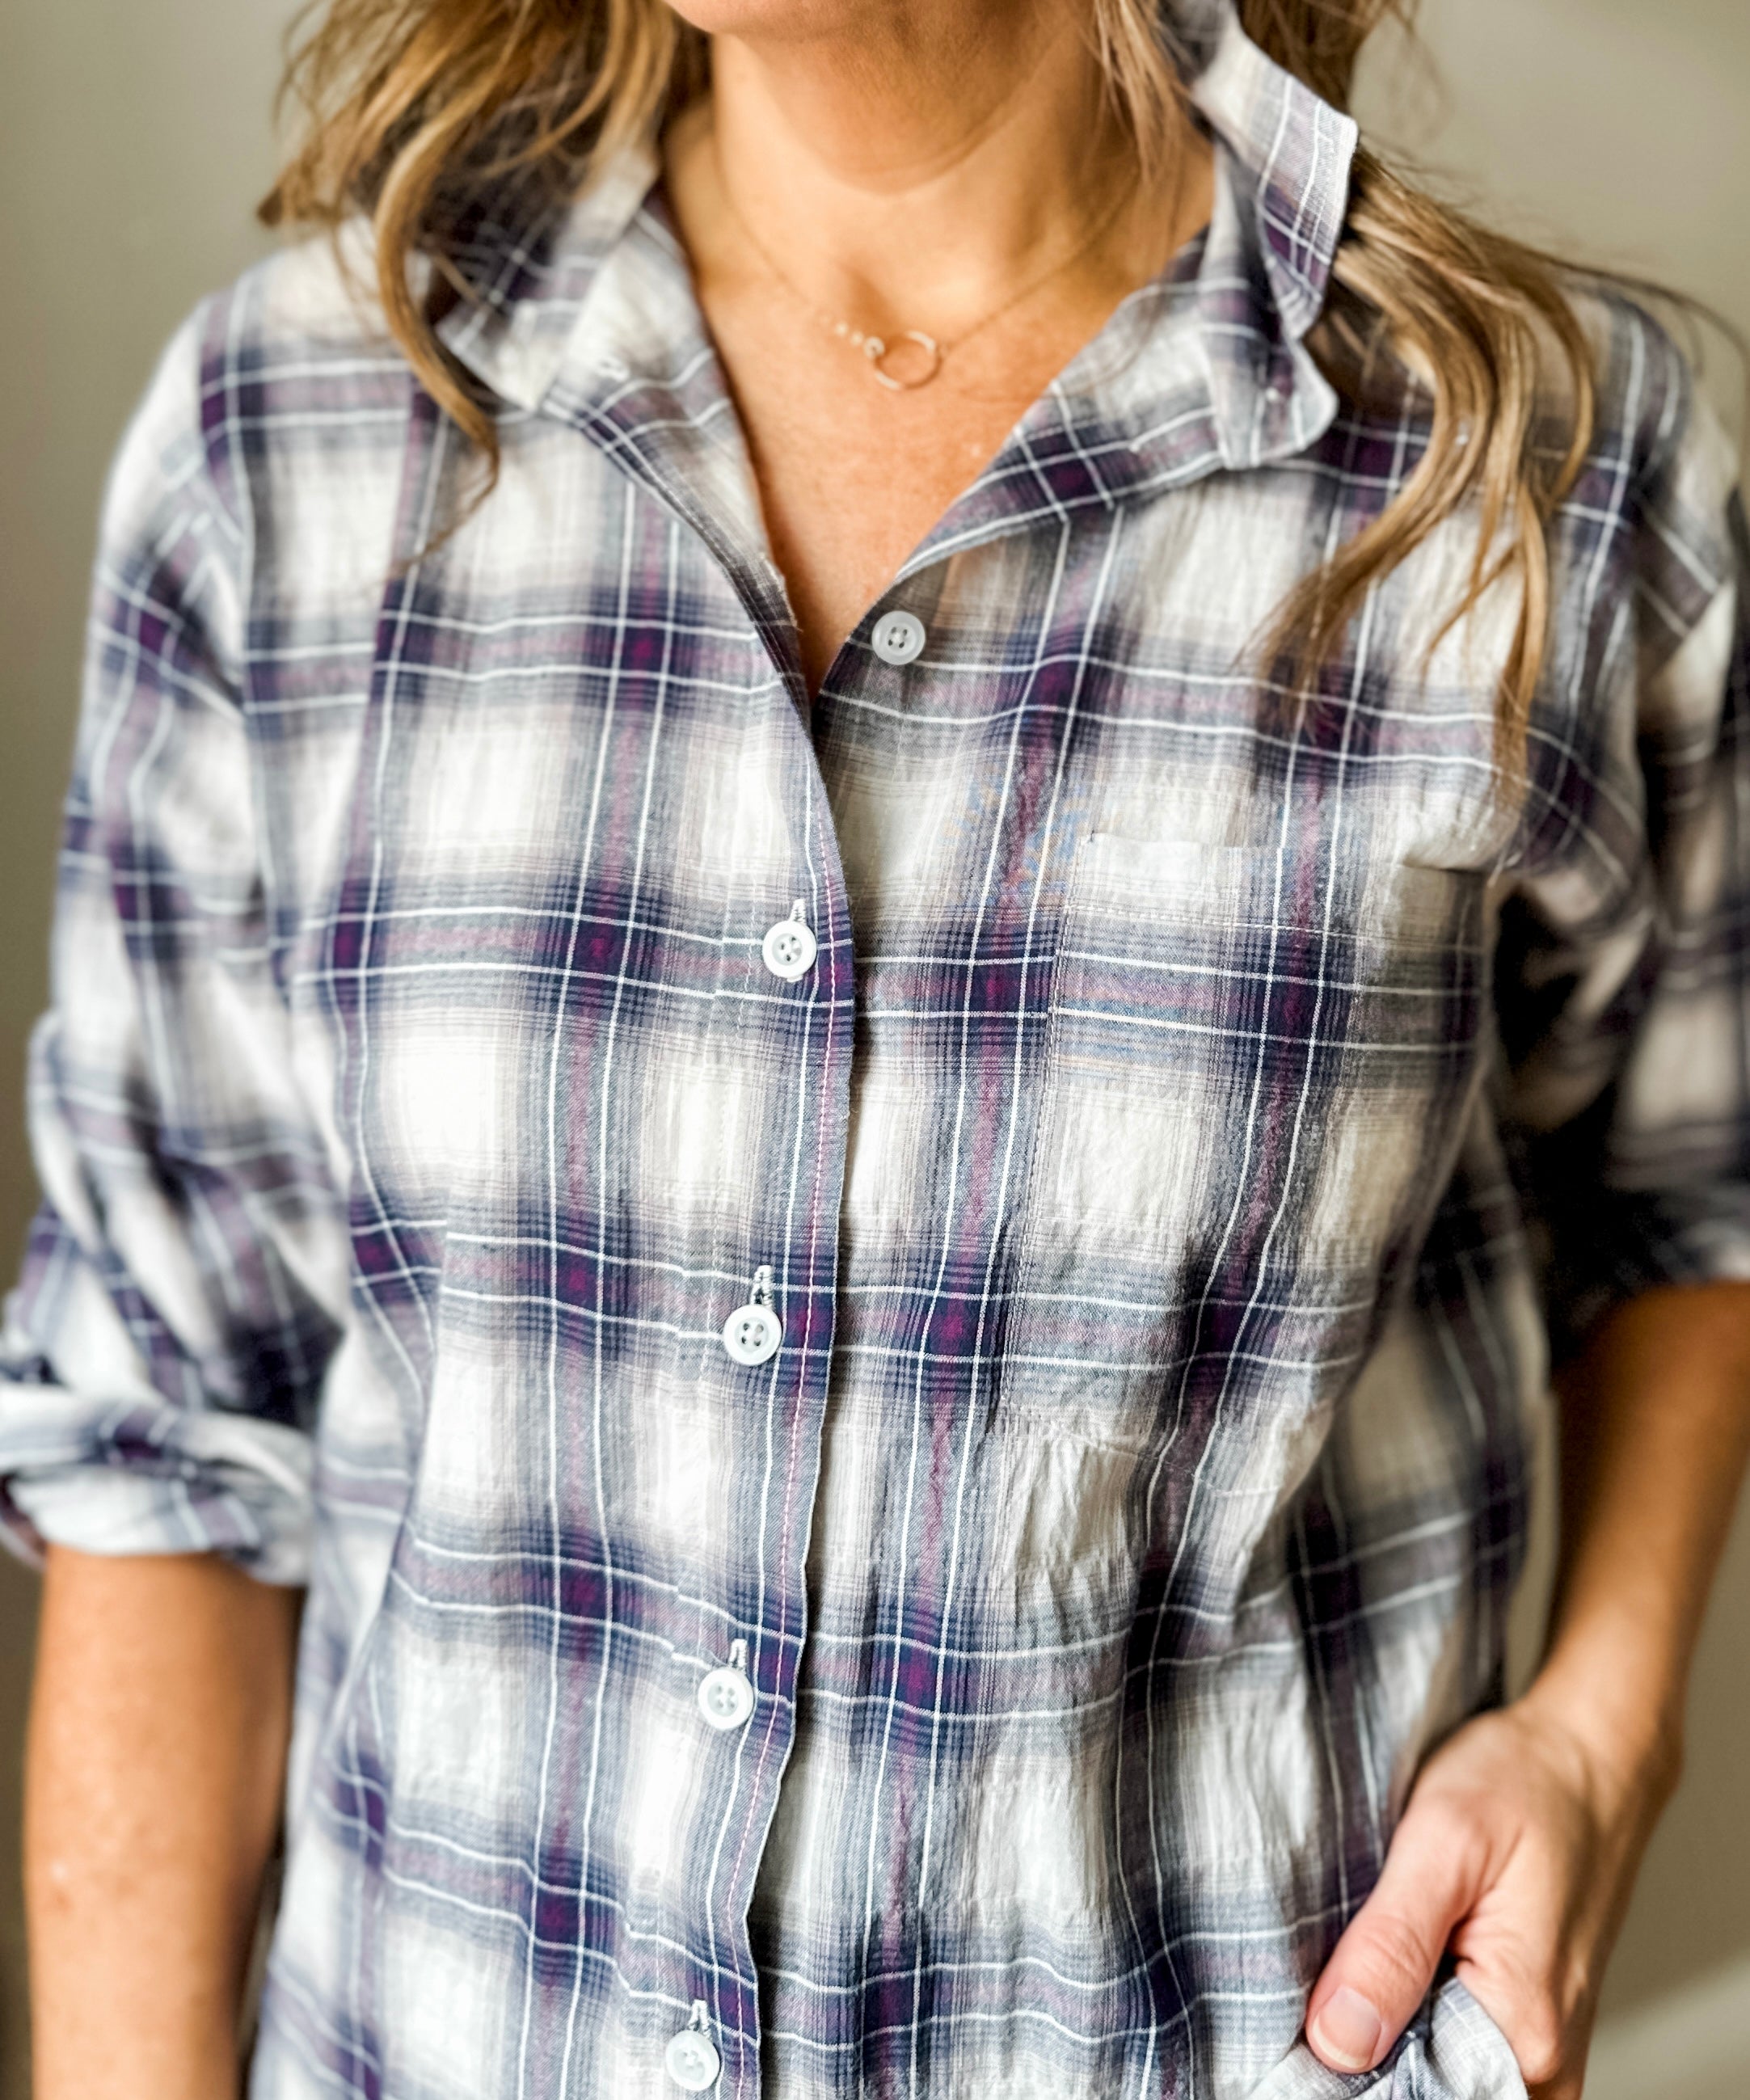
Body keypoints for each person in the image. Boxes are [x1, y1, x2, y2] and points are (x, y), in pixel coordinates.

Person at [6, 0, 1748, 2094]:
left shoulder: (1543, 466)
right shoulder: (291, 433)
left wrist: (1602, 1727)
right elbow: (167, 1421)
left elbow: (1692, 1192)